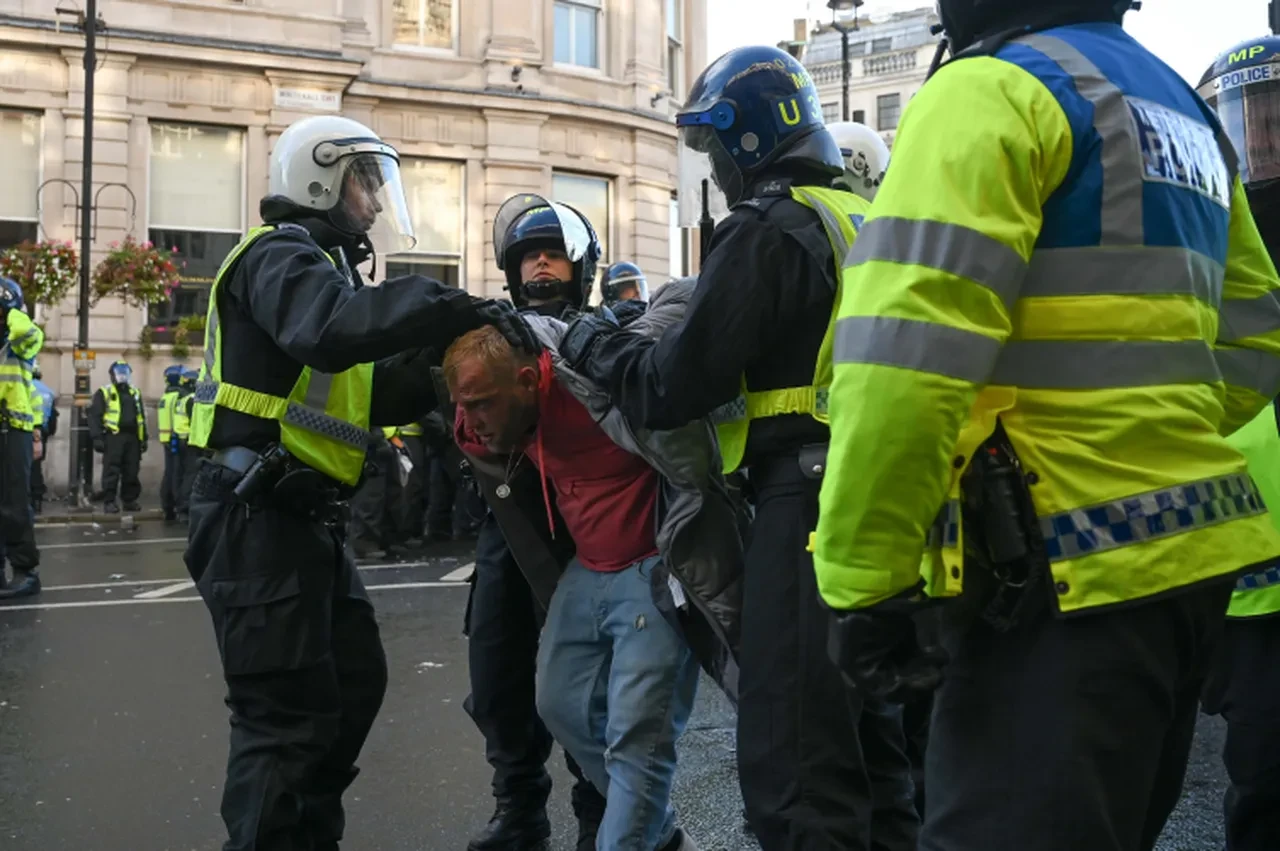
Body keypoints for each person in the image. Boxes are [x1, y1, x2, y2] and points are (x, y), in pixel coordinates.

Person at [810, 4, 1280, 851]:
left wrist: (863, 578)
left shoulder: (990, 90)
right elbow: (1254, 334)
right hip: (1184, 567)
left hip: (1049, 577)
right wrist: (1147, 439)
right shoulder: (1185, 112)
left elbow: (903, 360)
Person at [559, 46, 918, 851]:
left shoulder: (768, 229)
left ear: (749, 141)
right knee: (875, 750)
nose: (715, 168)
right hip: (884, 494)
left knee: (795, 760)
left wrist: (594, 344)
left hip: (804, 505)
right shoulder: (861, 217)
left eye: (715, 146)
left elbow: (667, 385)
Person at [181, 113, 534, 851]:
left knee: (350, 685)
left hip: (302, 522)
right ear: (321, 179)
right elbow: (334, 327)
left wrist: (467, 360)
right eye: (365, 184)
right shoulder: (279, 259)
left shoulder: (324, 274)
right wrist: (450, 304)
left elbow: (376, 390)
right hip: (257, 520)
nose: (374, 203)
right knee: (284, 721)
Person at [447, 294, 740, 850]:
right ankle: (658, 833)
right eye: (465, 405)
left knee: (637, 741)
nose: (473, 422)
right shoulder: (478, 422)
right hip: (588, 568)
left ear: (532, 381)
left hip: (654, 566)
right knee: (561, 707)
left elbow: (689, 301)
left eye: (483, 403)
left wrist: (609, 329)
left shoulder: (596, 380)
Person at [458, 193, 609, 851]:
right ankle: (519, 809)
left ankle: (599, 809)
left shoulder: (605, 334)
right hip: (507, 529)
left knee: (586, 686)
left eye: (552, 254)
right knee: (497, 677)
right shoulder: (483, 341)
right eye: (527, 257)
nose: (540, 266)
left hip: (587, 537)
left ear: (580, 265)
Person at [1198, 35, 1280, 851]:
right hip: (1248, 574)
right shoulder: (1208, 250)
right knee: (1261, 778)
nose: (1266, 141)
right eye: (1252, 122)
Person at [0, 277, 43, 600]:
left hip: (14, 428)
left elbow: (26, 330)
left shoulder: (19, 342)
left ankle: (25, 572)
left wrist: (10, 302)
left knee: (15, 504)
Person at [88, 359, 146, 513]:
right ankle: (109, 501)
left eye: (125, 373)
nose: (122, 377)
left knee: (132, 470)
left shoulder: (135, 392)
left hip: (132, 437)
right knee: (111, 470)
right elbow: (95, 416)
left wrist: (143, 438)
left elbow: (141, 416)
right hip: (114, 436)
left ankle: (129, 500)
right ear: (112, 375)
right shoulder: (104, 392)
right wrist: (98, 437)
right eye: (119, 373)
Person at [158, 364, 186, 523]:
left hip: (167, 440)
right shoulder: (179, 396)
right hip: (176, 439)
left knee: (169, 473)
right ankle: (177, 504)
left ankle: (167, 505)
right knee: (177, 474)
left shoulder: (166, 396)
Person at [29, 364, 56, 516]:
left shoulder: (25, 387)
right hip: (41, 432)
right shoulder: (48, 392)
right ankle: (37, 500)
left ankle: (29, 500)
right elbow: (53, 416)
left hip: (23, 430)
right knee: (36, 467)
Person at [176, 367, 201, 520]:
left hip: (183, 440)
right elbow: (197, 423)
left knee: (184, 474)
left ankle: (183, 507)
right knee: (191, 476)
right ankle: (185, 508)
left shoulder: (183, 398)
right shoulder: (192, 399)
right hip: (192, 442)